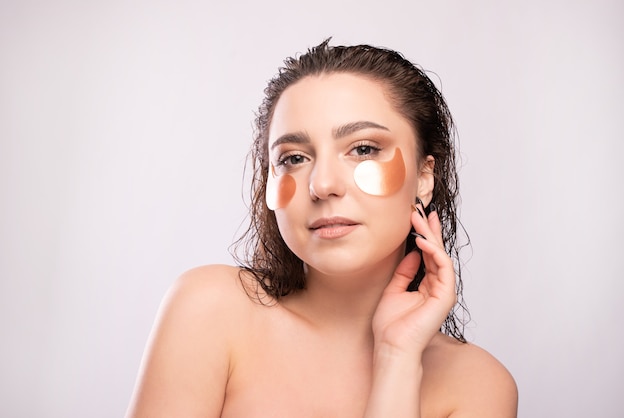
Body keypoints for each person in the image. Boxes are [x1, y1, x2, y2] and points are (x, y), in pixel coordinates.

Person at [126, 39, 518, 417]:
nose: (322, 184)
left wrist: (396, 358)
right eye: (294, 157)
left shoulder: (479, 385)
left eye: (363, 148)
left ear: (424, 177)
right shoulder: (210, 310)